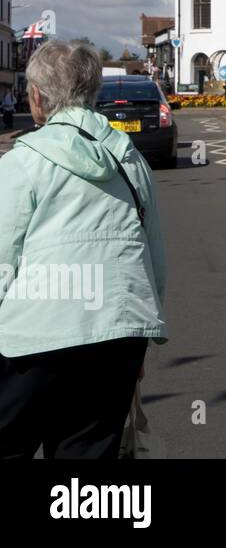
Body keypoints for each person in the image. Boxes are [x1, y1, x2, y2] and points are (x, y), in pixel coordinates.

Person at [0, 41, 168, 459]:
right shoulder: (130, 160)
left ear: (37, 97)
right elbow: (154, 259)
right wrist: (141, 336)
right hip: (118, 335)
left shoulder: (22, 163)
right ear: (92, 92)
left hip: (34, 337)